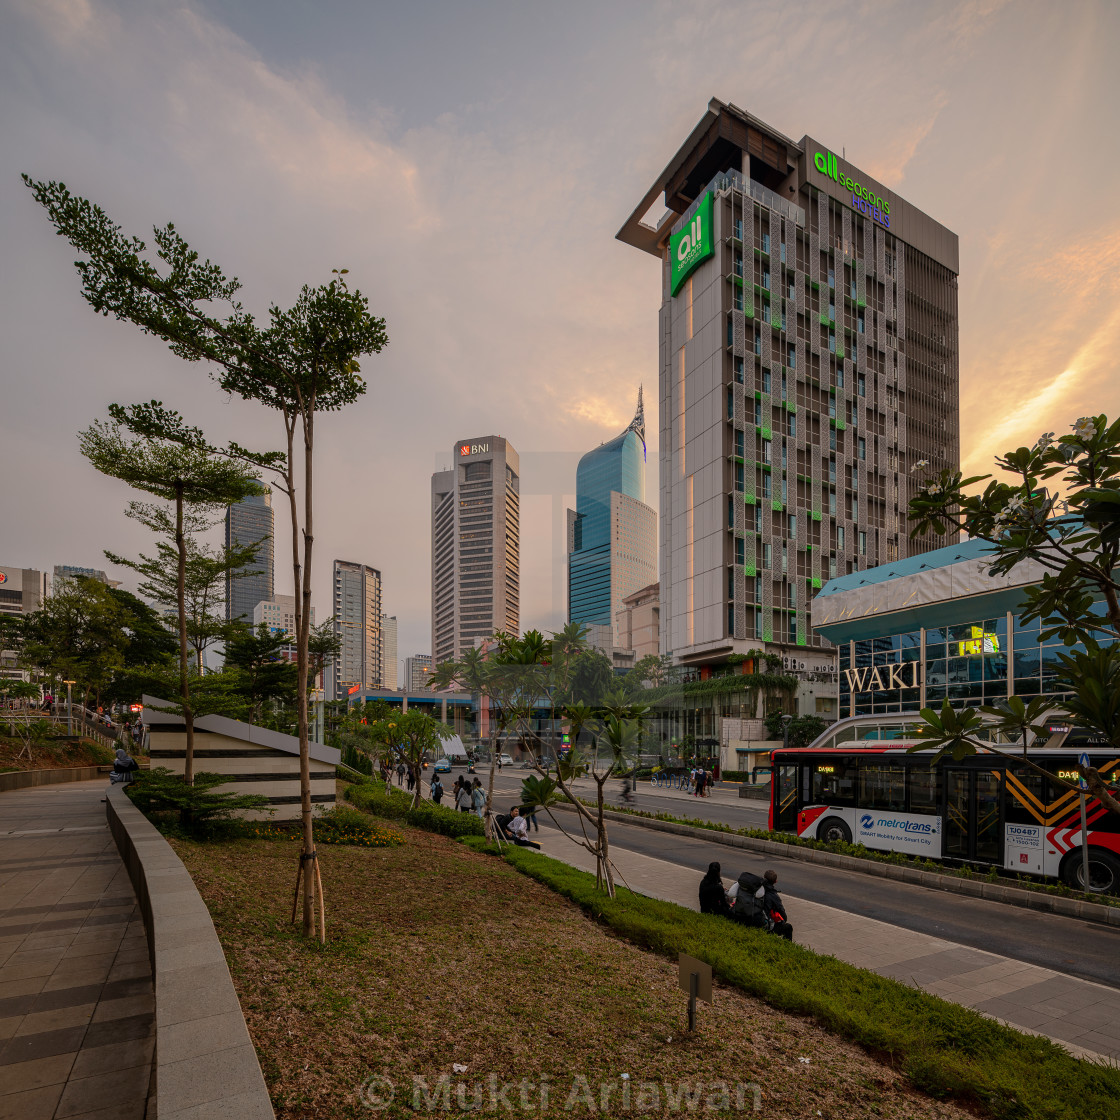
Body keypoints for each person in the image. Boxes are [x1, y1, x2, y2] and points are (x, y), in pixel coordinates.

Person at [760, 869, 793, 940]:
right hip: (765, 925)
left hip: (753, 919)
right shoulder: (773, 896)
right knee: (788, 927)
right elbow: (784, 916)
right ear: (775, 881)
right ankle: (786, 947)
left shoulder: (757, 888)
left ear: (764, 877)